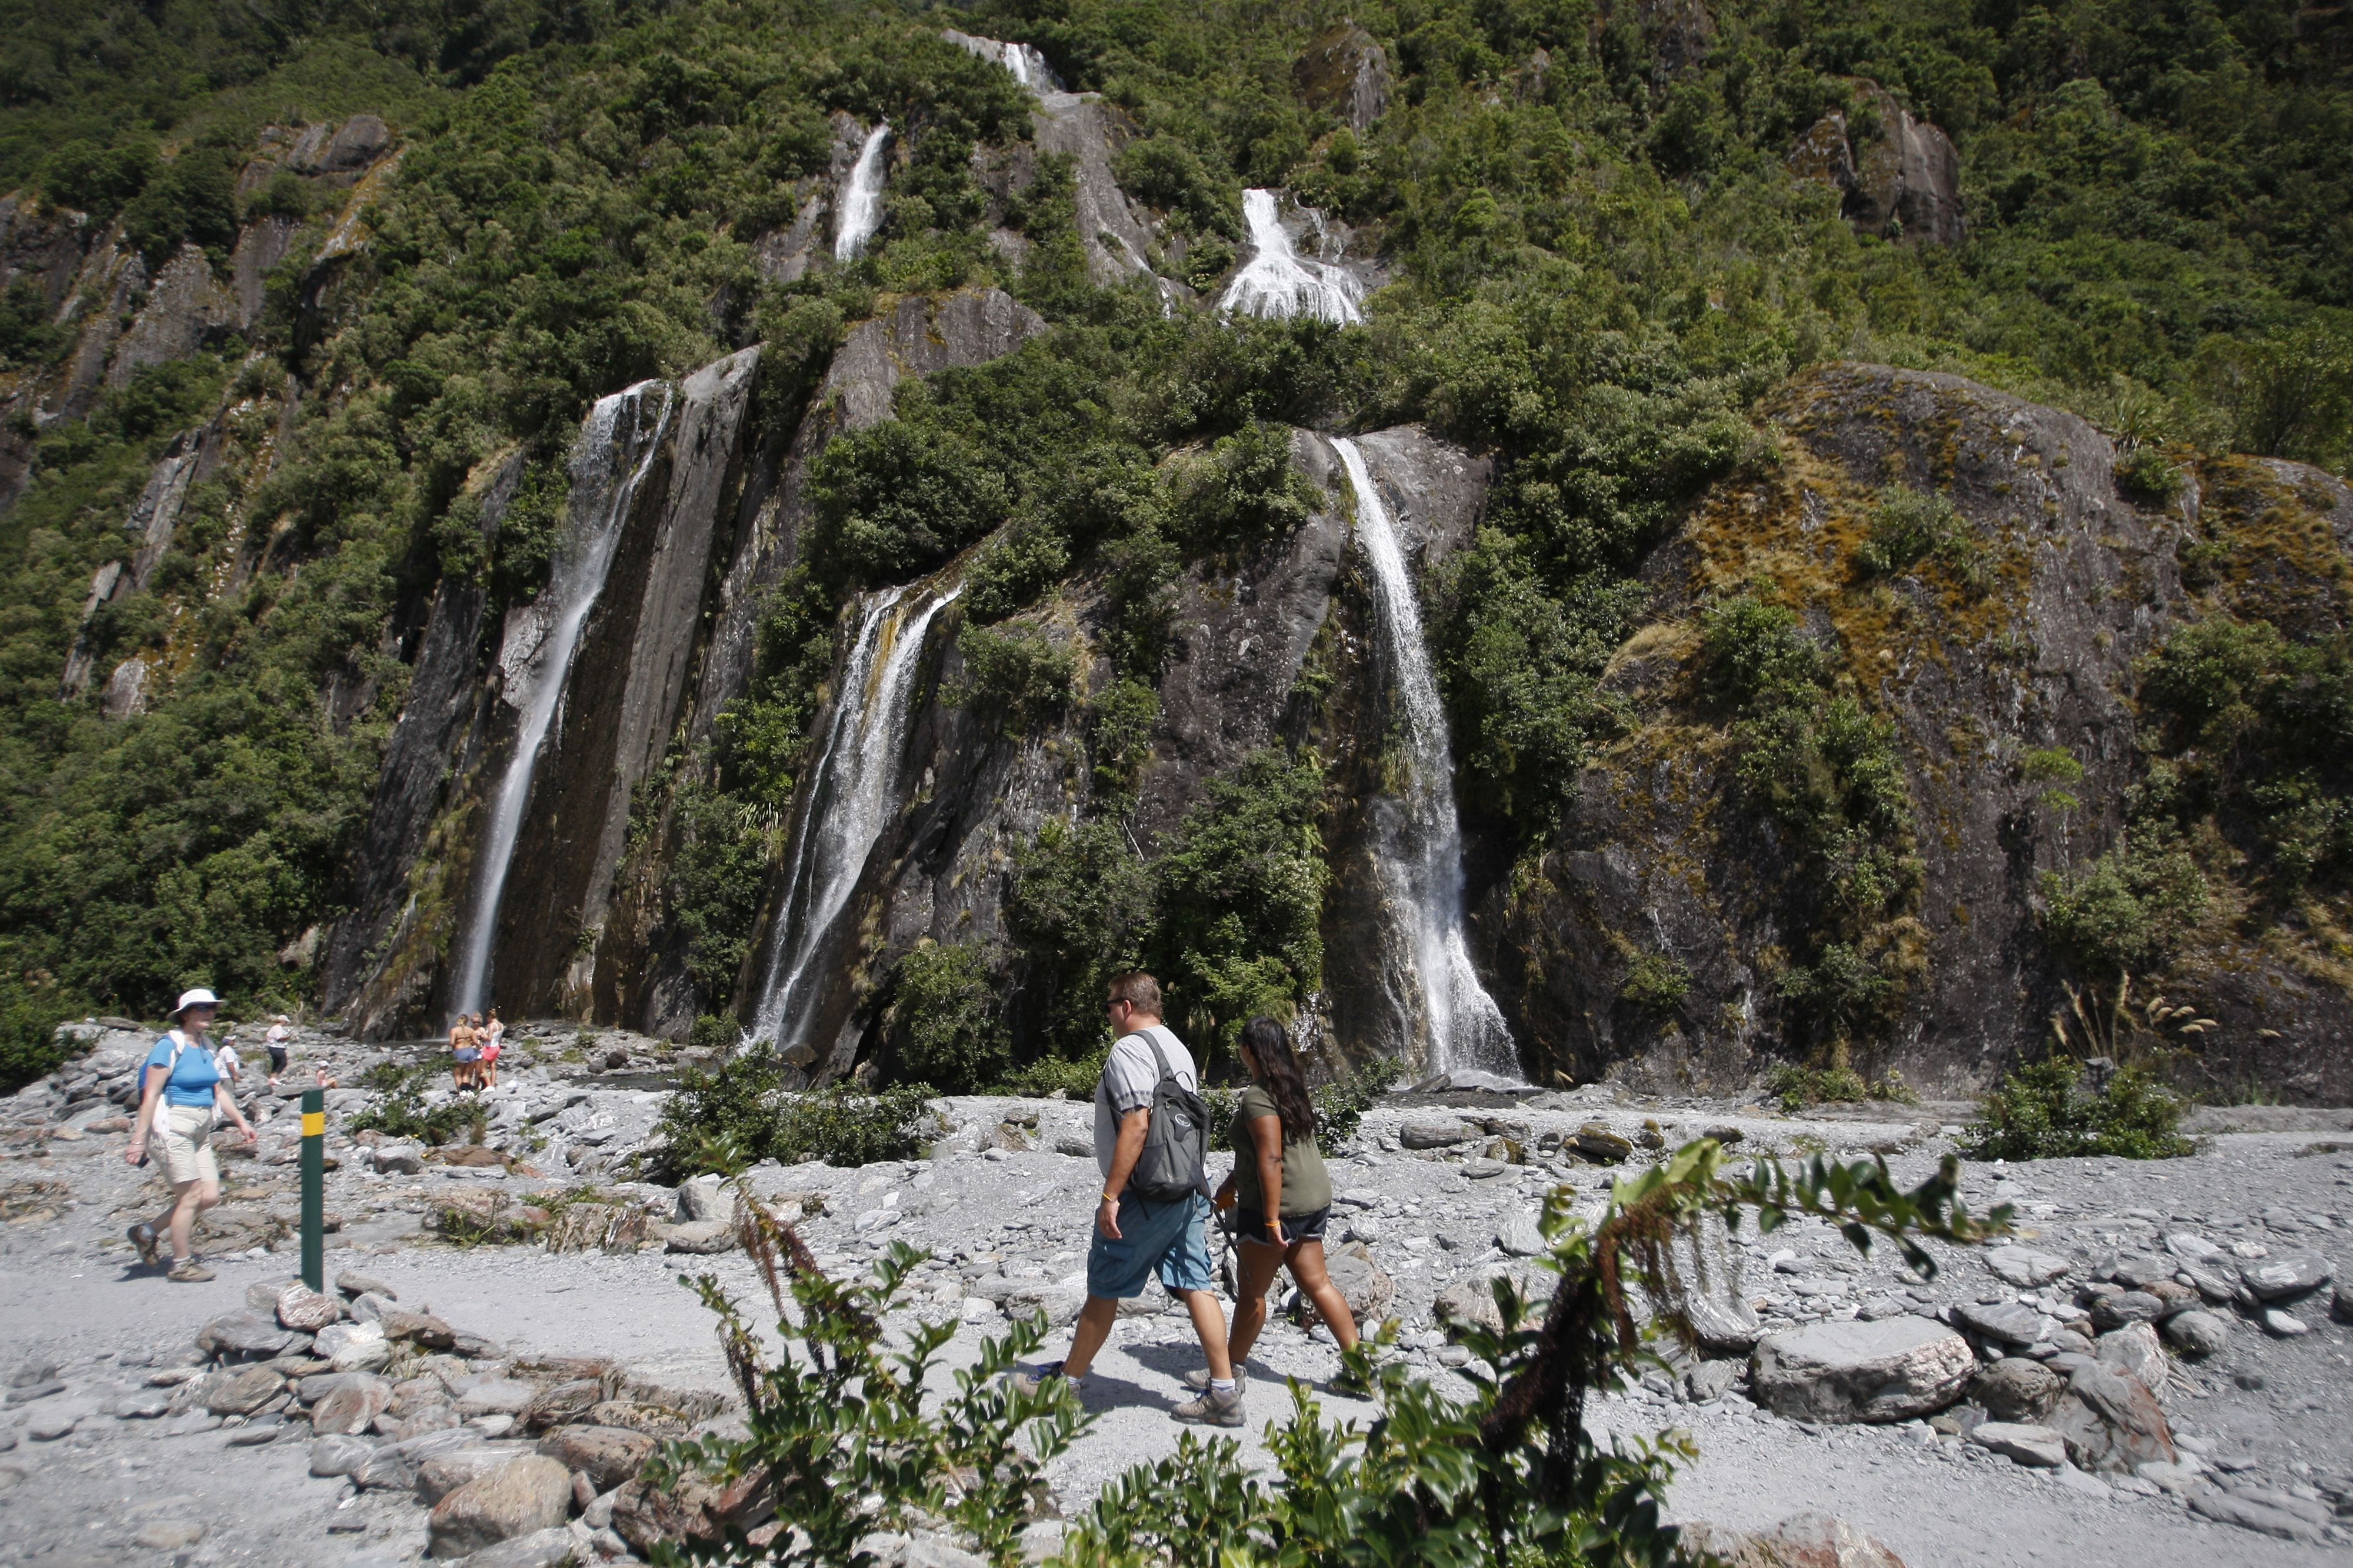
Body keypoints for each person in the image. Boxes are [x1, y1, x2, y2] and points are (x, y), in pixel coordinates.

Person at [1012, 973, 1242, 1425]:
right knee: (1196, 1282)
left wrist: (1111, 1195)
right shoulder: (1178, 1047)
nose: (1108, 1016)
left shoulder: (1129, 1050)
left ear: (1128, 1006)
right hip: (1188, 1185)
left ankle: (1069, 1382)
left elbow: (1138, 1122)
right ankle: (1224, 1390)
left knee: (1105, 1285)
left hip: (1146, 1192)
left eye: (1109, 1006)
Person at [1207, 1016, 1361, 1394]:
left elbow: (1272, 1159)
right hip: (1313, 1196)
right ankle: (1359, 1369)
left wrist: (1272, 1219)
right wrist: (1232, 1182)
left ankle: (1229, 1374)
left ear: (1248, 1050)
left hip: (1277, 1207)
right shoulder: (1291, 1086)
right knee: (1319, 1284)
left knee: (1253, 1292)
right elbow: (1264, 1152)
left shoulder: (1258, 1096)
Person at [124, 989, 258, 1282]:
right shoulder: (168, 1047)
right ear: (185, 1014)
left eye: (211, 1008)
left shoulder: (208, 1048)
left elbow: (218, 1091)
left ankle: (146, 1233)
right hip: (173, 1126)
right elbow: (150, 1096)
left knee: (209, 1197)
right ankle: (181, 1265)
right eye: (200, 1008)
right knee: (191, 1195)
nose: (207, 1013)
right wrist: (138, 1141)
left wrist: (241, 1122)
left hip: (200, 1129)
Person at [449, 1013, 479, 1090]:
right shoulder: (471, 1030)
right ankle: (468, 1092)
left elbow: (452, 1043)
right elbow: (476, 1042)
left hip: (460, 1052)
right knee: (467, 1075)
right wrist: (469, 1043)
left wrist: (458, 1043)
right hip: (470, 1051)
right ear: (467, 1021)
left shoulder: (454, 1030)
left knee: (457, 1074)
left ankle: (461, 1092)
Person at [264, 1015, 292, 1086]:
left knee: (276, 1063)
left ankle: (272, 1079)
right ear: (282, 1021)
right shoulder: (278, 1028)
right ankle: (274, 1078)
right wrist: (289, 1036)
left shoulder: (276, 1028)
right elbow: (279, 1038)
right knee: (283, 1063)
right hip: (277, 1048)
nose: (286, 1024)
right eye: (286, 1022)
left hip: (274, 1048)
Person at [480, 1008, 504, 1088]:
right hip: (496, 1047)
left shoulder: (491, 1025)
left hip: (489, 1047)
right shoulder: (501, 1025)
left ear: (489, 1017)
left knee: (483, 1068)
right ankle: (493, 1084)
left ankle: (489, 1085)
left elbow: (489, 1038)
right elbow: (500, 1039)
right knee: (493, 1068)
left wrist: (483, 1036)